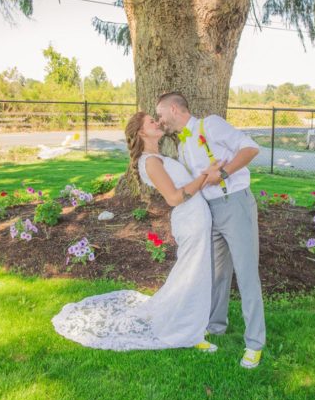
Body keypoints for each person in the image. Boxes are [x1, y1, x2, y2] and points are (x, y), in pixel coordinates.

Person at [52, 112, 221, 352]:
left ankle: (186, 322)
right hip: (190, 219)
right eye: (151, 121)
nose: (157, 122)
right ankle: (186, 332)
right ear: (142, 132)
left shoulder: (156, 157)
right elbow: (174, 198)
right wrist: (205, 176)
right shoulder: (150, 162)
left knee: (193, 273)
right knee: (192, 275)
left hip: (197, 216)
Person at [154, 92, 266, 370]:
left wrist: (224, 173)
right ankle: (216, 326)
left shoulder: (210, 124)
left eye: (160, 115)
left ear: (173, 108)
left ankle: (254, 343)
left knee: (246, 274)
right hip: (210, 212)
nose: (159, 120)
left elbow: (251, 148)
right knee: (217, 274)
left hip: (234, 204)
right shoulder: (181, 146)